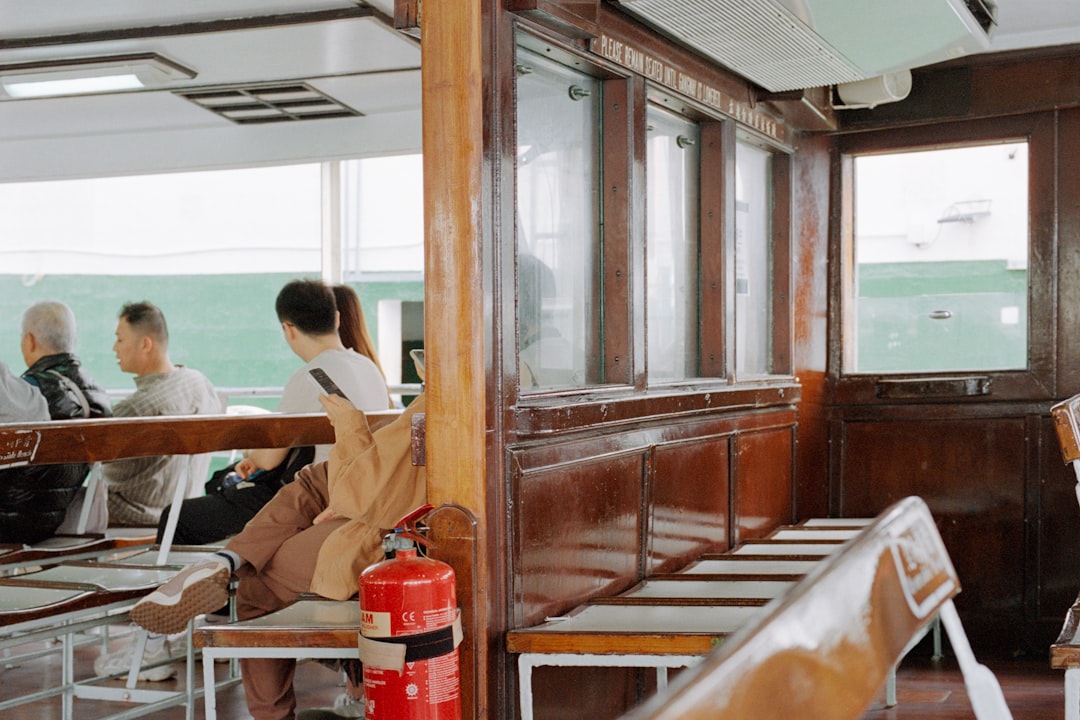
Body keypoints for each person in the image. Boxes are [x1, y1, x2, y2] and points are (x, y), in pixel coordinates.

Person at [129, 376, 426, 720]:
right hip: (384, 508)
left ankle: (227, 560)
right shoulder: (374, 373)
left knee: (257, 588)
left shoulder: (426, 410)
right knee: (309, 482)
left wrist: (348, 426)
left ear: (290, 329)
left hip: (388, 530)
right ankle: (229, 558)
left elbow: (358, 487)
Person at [157, 278, 391, 546]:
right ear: (337, 319)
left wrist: (250, 457)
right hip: (365, 491)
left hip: (318, 497)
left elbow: (268, 459)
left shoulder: (312, 374)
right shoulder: (369, 368)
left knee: (178, 517)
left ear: (288, 328)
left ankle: (185, 585)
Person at [0, 301, 114, 543]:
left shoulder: (28, 391)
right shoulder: (98, 393)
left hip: (9, 517)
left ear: (29, 340)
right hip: (53, 519)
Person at [103, 301, 221, 526]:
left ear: (146, 344)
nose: (114, 348)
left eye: (120, 339)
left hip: (139, 516)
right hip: (187, 508)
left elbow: (107, 474)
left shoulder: (135, 409)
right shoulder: (200, 383)